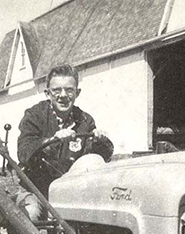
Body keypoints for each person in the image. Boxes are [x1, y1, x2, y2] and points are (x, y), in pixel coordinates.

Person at [16, 63, 113, 220]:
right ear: (47, 93)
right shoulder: (34, 116)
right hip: (37, 190)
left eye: (69, 90)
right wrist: (52, 141)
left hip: (71, 192)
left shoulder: (85, 120)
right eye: (56, 90)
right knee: (30, 213)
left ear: (77, 93)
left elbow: (97, 160)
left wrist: (99, 141)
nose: (63, 95)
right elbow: (24, 152)